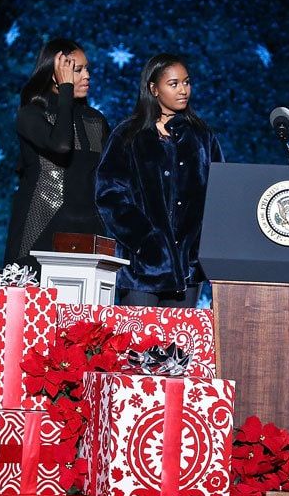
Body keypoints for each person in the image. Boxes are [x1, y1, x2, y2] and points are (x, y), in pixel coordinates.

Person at [95, 53, 223, 307]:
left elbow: (220, 194)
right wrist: (145, 240)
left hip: (189, 268)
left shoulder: (202, 136)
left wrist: (202, 248)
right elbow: (109, 195)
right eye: (173, 84)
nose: (183, 90)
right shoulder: (128, 135)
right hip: (142, 270)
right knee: (139, 344)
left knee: (179, 346)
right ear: (154, 88)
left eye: (186, 82)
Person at [4, 38, 111, 270]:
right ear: (55, 75)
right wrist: (66, 91)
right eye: (76, 70)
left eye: (87, 69)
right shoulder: (31, 114)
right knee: (35, 305)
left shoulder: (96, 120)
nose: (87, 76)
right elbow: (61, 145)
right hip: (41, 228)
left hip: (86, 231)